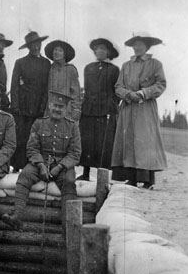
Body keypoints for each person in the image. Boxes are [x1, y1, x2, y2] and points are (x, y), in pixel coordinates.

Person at [2, 90, 81, 232]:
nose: (57, 109)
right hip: (40, 161)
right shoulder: (38, 124)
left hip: (63, 164)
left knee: (69, 182)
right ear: (50, 106)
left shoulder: (73, 126)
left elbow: (75, 153)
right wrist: (41, 166)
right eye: (55, 105)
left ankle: (68, 225)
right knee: (25, 175)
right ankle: (16, 215)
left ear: (66, 108)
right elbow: (32, 148)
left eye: (61, 107)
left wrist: (60, 167)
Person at [111, 33, 167, 189]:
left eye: (140, 44)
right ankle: (131, 178)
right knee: (128, 140)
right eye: (135, 45)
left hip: (145, 107)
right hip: (128, 107)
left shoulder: (155, 64)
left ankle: (148, 179)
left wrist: (143, 93)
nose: (137, 48)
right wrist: (128, 94)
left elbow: (161, 84)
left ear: (147, 47)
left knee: (145, 141)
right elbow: (118, 86)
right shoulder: (126, 66)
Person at [78, 38, 120, 181]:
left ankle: (103, 175)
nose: (100, 51)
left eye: (103, 49)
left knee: (104, 142)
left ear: (108, 52)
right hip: (89, 108)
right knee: (87, 140)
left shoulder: (114, 69)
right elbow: (87, 88)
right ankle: (85, 172)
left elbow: (116, 91)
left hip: (106, 109)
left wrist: (111, 105)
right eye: (98, 48)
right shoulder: (88, 68)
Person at [10, 31, 51, 171]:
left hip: (39, 106)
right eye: (32, 44)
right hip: (22, 106)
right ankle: (17, 166)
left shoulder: (46, 63)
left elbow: (46, 87)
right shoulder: (20, 62)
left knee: (36, 137)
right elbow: (14, 85)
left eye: (37, 43)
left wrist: (43, 106)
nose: (35, 47)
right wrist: (15, 106)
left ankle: (33, 165)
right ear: (28, 46)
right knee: (21, 136)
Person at [44, 40, 81, 122]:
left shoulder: (71, 70)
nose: (57, 52)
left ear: (65, 54)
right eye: (55, 50)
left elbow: (75, 92)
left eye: (60, 50)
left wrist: (76, 109)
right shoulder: (48, 68)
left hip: (65, 109)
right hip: (49, 109)